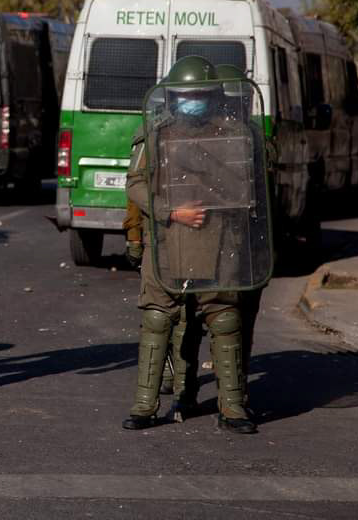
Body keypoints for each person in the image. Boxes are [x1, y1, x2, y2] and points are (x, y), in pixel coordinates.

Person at [122, 56, 272, 434]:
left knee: (224, 319)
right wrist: (171, 211)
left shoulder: (236, 135)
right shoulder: (155, 135)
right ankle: (144, 406)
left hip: (221, 242)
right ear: (172, 97)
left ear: (213, 96)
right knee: (158, 318)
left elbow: (252, 189)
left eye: (200, 95)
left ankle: (233, 407)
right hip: (169, 241)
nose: (193, 101)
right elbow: (135, 185)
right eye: (185, 95)